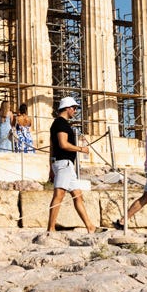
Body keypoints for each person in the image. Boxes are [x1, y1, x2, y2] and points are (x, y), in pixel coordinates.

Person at [46, 97, 97, 233]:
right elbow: (63, 144)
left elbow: (52, 147)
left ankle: (90, 226)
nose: (75, 111)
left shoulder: (57, 123)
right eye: (74, 108)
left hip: (64, 164)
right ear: (67, 108)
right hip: (64, 164)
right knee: (59, 195)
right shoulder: (61, 123)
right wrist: (81, 149)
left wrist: (51, 167)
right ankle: (50, 228)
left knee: (77, 195)